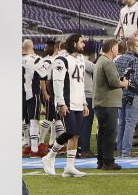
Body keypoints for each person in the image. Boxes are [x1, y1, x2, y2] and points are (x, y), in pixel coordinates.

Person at [42, 34, 89, 177]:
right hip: (67, 103)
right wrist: (61, 102)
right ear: (74, 43)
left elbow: (81, 84)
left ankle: (69, 167)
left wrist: (85, 103)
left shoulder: (81, 60)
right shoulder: (61, 60)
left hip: (78, 103)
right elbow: (57, 82)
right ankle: (49, 157)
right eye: (82, 42)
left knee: (75, 134)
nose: (84, 45)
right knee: (69, 132)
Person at [92, 39, 128, 170]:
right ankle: (108, 161)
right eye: (117, 47)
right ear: (112, 49)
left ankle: (101, 161)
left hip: (101, 103)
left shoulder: (100, 61)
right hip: (108, 104)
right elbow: (114, 82)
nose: (118, 50)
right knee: (109, 133)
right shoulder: (108, 63)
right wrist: (125, 83)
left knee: (102, 133)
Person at [114, 37, 138, 159]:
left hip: (121, 94)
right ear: (131, 47)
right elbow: (135, 79)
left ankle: (121, 151)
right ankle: (126, 152)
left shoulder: (118, 59)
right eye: (137, 45)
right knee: (130, 124)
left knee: (122, 124)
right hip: (132, 94)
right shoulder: (134, 60)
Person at [21, 40, 47, 157]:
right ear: (32, 47)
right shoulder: (36, 59)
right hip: (32, 93)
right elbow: (45, 75)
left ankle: (27, 144)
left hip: (20, 93)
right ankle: (35, 149)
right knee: (34, 121)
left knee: (25, 120)